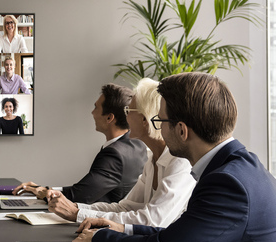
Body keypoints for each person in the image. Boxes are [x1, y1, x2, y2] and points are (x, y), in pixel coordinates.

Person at [76, 73, 276, 242]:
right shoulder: (242, 167)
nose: (159, 130)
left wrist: (99, 238)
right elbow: (181, 234)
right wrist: (123, 229)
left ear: (181, 130)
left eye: (160, 120)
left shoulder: (226, 182)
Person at [46, 78, 195, 228]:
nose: (125, 117)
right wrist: (76, 208)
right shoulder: (152, 160)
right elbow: (125, 207)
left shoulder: (180, 162)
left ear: (145, 119)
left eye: (128, 111)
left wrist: (76, 213)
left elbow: (152, 221)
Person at [13, 84, 147, 203]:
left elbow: (78, 196)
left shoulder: (114, 154)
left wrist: (42, 191)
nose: (92, 112)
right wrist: (44, 189)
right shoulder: (138, 144)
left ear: (109, 117)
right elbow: (82, 190)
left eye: (96, 107)